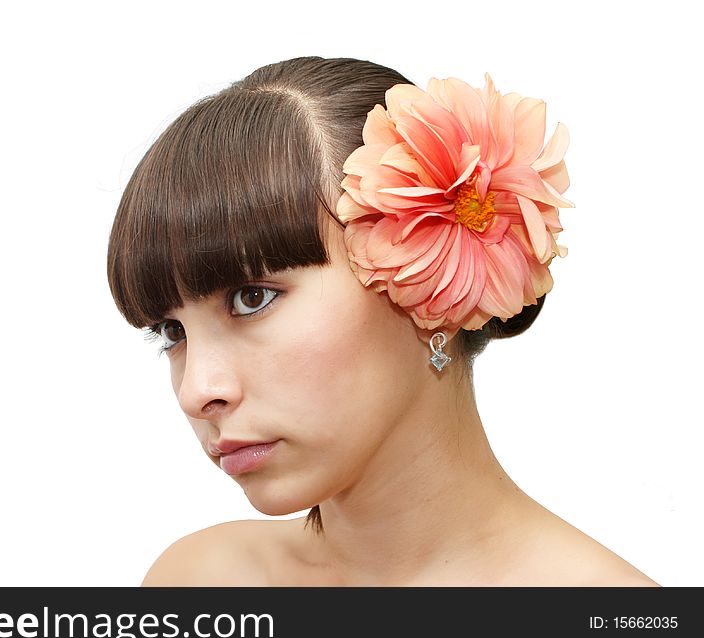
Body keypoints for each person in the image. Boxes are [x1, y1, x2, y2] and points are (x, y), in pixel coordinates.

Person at [106, 56, 659, 586]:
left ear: (433, 280)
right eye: (171, 332)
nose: (197, 391)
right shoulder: (198, 584)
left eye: (252, 298)